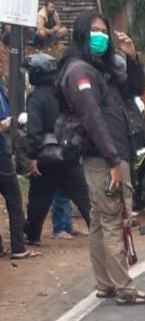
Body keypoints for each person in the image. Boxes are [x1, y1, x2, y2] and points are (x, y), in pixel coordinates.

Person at [58, 12, 145, 305]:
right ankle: (124, 288)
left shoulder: (99, 69)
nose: (101, 36)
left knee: (101, 220)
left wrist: (132, 57)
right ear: (81, 34)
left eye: (104, 30)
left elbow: (135, 89)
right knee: (115, 218)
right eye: (94, 31)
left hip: (111, 154)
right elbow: (92, 119)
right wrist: (114, 160)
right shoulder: (79, 71)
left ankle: (105, 283)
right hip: (104, 157)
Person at [23, 52, 92, 247]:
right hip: (69, 151)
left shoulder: (35, 98)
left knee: (39, 197)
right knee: (83, 196)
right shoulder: (63, 91)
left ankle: (33, 236)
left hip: (47, 156)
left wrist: (32, 156)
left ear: (36, 74)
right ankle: (100, 230)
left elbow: (34, 130)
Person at [0, 78, 38, 259]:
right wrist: (6, 124)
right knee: (14, 202)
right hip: (2, 156)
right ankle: (18, 247)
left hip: (4, 153)